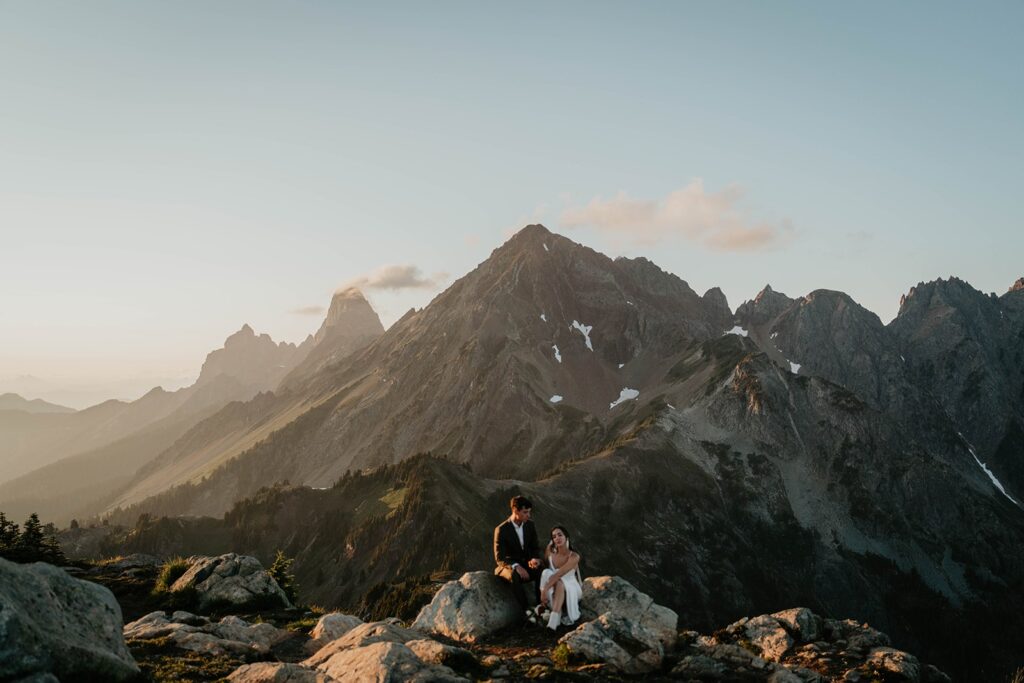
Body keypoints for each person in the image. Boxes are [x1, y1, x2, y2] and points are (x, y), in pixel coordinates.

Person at [493, 495, 543, 624]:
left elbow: (535, 547)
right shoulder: (501, 530)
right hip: (506, 567)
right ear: (515, 511)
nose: (528, 515)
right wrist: (516, 566)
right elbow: (500, 558)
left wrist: (534, 559)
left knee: (540, 570)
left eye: (529, 512)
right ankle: (527, 612)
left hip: (525, 563)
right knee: (515, 575)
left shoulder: (530, 525)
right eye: (525, 512)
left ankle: (540, 608)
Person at [538, 525, 582, 630]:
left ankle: (554, 620)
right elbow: (545, 565)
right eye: (554, 537)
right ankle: (554, 620)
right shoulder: (549, 551)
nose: (557, 538)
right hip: (555, 585)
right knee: (547, 573)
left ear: (566, 537)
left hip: (572, 587)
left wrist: (544, 591)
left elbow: (558, 574)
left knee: (560, 581)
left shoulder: (574, 557)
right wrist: (537, 562)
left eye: (560, 535)